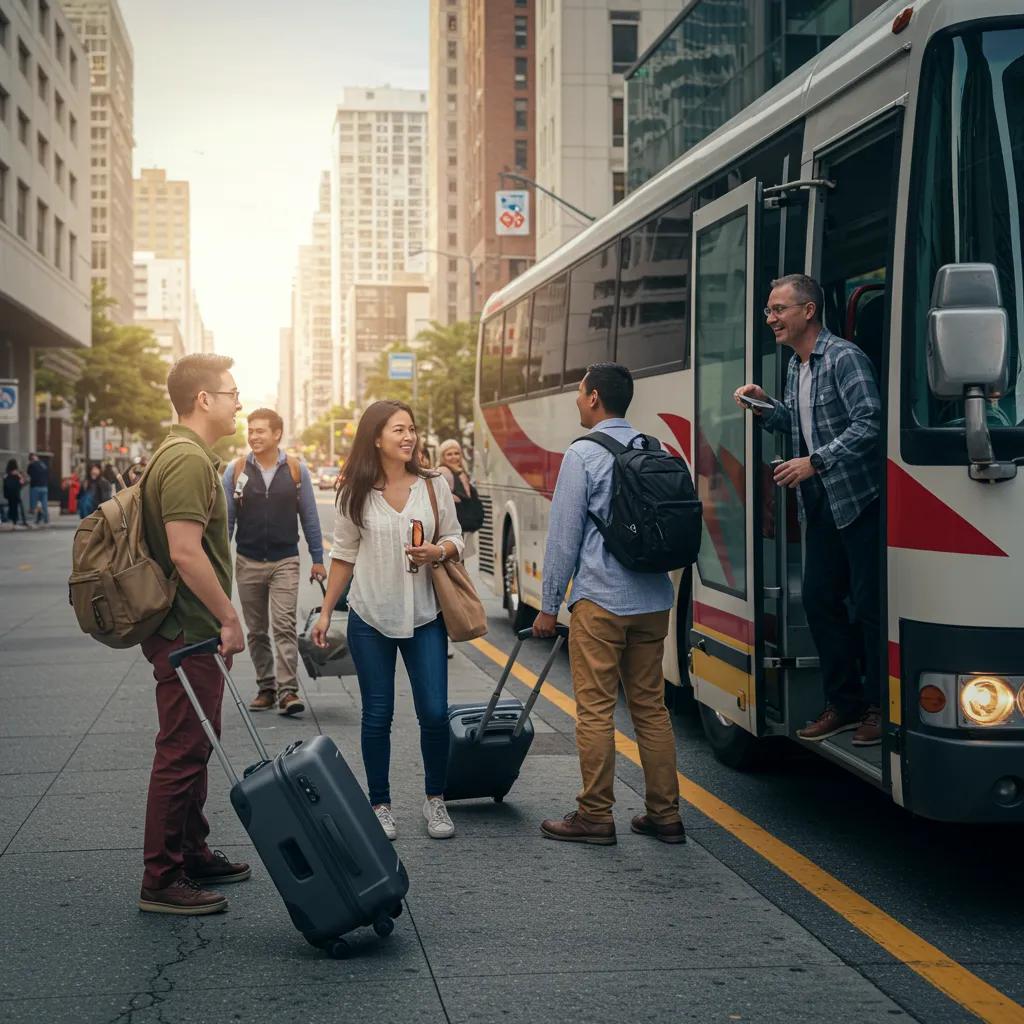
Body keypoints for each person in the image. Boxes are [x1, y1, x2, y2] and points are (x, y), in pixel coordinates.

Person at [533, 363, 685, 847]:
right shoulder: (653, 447)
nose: (577, 401)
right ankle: (665, 814)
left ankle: (595, 815)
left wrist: (548, 604)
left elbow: (563, 538)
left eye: (579, 393)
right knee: (651, 708)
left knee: (595, 709)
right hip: (653, 599)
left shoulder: (582, 455)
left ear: (595, 397)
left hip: (601, 599)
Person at [735, 273, 882, 747]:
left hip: (858, 502)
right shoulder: (797, 368)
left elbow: (870, 424)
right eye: (769, 311)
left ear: (809, 311)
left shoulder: (844, 358)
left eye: (778, 310)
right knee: (819, 601)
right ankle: (845, 704)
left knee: (869, 607)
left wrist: (814, 463)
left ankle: (879, 709)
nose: (771, 319)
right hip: (819, 504)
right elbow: (799, 426)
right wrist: (765, 407)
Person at [312, 400, 464, 841]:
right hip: (370, 617)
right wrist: (325, 612)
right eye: (398, 430)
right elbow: (343, 555)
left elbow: (455, 537)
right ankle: (380, 805)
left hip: (425, 616)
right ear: (375, 437)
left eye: (412, 429)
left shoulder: (433, 486)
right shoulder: (353, 492)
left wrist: (439, 551)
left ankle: (436, 799)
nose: (408, 437)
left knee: (434, 713)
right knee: (377, 715)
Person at [137, 353, 248, 916]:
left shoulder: (188, 454)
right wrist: (229, 616)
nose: (238, 403)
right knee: (181, 751)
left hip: (189, 630)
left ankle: (192, 850)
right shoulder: (186, 460)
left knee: (196, 744)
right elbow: (185, 551)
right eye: (231, 393)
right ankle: (161, 877)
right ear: (203, 400)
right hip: (188, 630)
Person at [224, 407, 326, 716]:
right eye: (250, 430)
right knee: (256, 630)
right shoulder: (237, 469)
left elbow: (309, 516)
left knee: (284, 625)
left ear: (277, 434)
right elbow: (227, 521)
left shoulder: (296, 469)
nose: (253, 436)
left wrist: (318, 559)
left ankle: (288, 691)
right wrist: (220, 562)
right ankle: (266, 687)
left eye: (260, 431)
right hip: (248, 560)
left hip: (285, 560)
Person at [436, 439, 483, 562]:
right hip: (453, 523)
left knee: (459, 559)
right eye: (449, 454)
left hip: (460, 521)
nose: (454, 457)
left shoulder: (460, 471)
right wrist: (452, 498)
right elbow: (439, 495)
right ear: (442, 457)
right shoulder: (443, 471)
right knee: (455, 560)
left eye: (456, 453)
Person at [26, 453, 50, 527]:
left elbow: (28, 474)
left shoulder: (31, 465)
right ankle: (46, 520)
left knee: (34, 504)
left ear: (31, 459)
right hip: (44, 487)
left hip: (35, 487)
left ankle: (35, 519)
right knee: (44, 504)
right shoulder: (43, 464)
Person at [3, 460, 28, 529]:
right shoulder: (17, 474)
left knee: (11, 506)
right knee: (16, 507)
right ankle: (16, 521)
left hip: (9, 493)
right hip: (16, 493)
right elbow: (22, 482)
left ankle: (11, 519)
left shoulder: (6, 474)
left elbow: (5, 484)